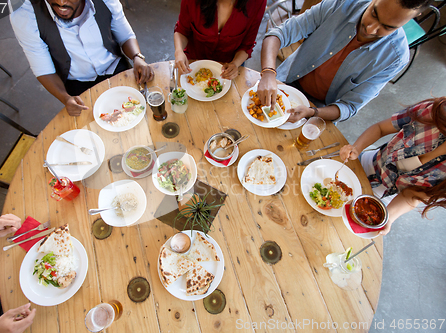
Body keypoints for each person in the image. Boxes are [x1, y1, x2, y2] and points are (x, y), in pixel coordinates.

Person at [258, 0, 430, 123]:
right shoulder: (342, 4)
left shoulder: (395, 58)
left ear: (412, 18)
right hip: (283, 79)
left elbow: (350, 106)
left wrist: (312, 112)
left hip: (320, 109)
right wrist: (268, 73)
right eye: (374, 13)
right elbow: (279, 34)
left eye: (387, 27)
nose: (370, 28)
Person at [10, 0, 154, 117]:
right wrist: (65, 98)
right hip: (77, 84)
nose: (61, 3)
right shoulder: (25, 16)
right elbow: (43, 68)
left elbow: (125, 35)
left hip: (116, 67)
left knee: (140, 113)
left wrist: (137, 57)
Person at [340, 97, 446, 235]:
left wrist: (389, 217)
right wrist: (356, 148)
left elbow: (411, 196)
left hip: (382, 197)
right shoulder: (433, 112)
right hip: (364, 164)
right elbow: (380, 128)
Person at [174, 0, 266, 80]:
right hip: (193, 62)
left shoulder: (257, 3)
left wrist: (235, 63)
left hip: (230, 67)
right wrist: (179, 51)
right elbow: (182, 31)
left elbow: (247, 45)